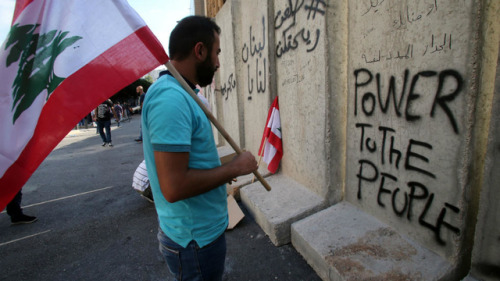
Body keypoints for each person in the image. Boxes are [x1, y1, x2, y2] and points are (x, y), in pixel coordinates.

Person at [142, 16, 258, 281]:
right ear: (200, 50)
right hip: (193, 242)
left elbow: (191, 164)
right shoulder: (170, 99)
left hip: (201, 235)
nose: (217, 63)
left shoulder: (183, 93)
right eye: (216, 52)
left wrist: (221, 171)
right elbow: (174, 186)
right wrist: (235, 167)